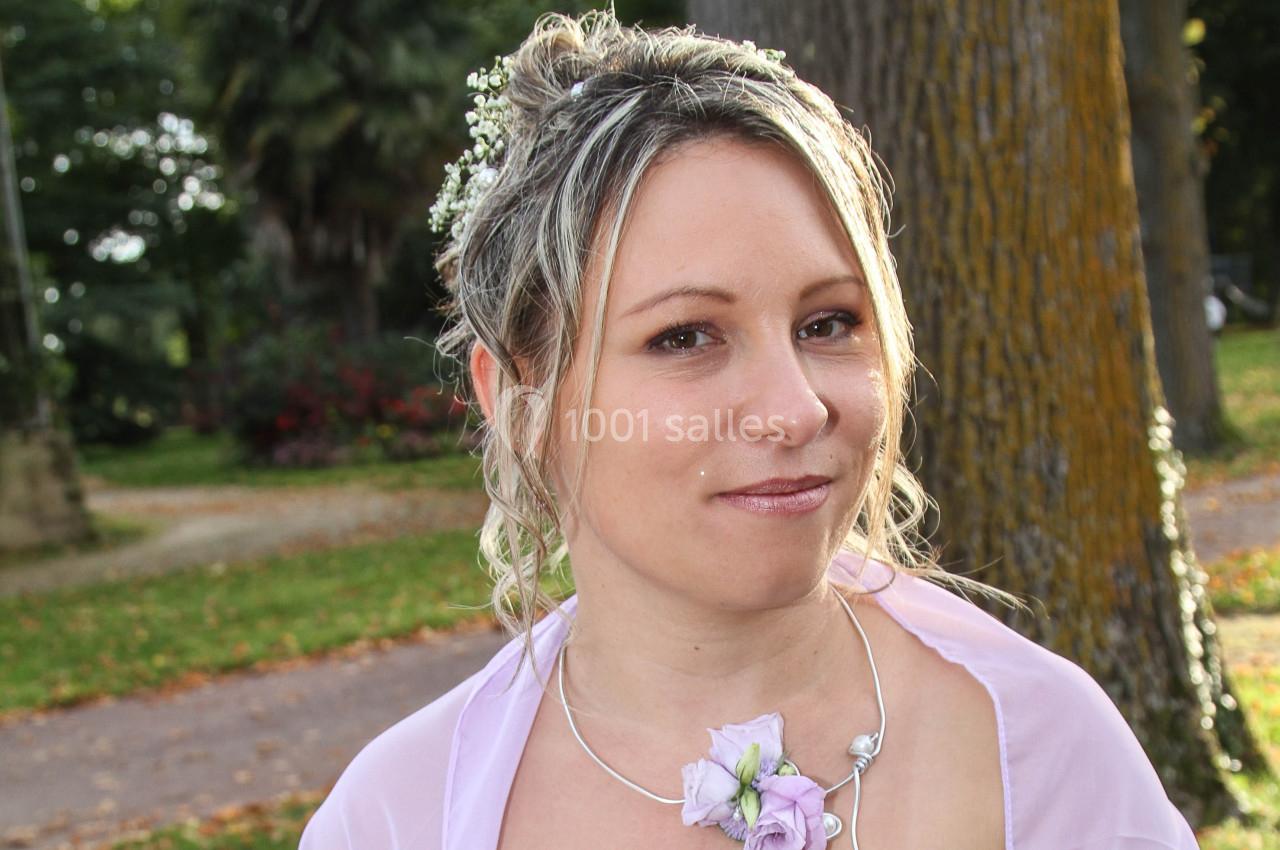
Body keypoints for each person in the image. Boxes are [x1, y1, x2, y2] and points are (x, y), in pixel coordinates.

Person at [299, 8, 1201, 850]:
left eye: (828, 323)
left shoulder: (1038, 749)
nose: (797, 408)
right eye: (685, 336)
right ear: (519, 398)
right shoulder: (397, 816)